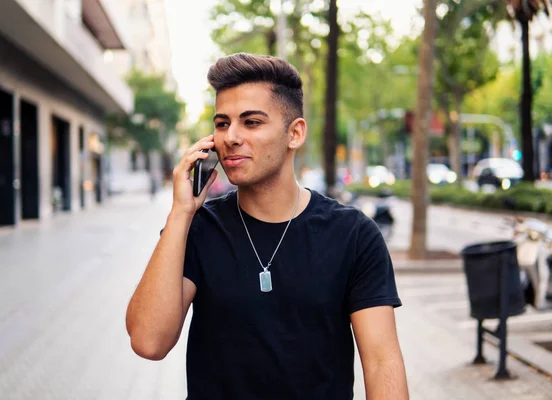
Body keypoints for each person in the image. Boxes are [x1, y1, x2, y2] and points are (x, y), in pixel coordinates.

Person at [126, 53, 408, 399]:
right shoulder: (198, 229)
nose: (230, 137)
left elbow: (381, 362)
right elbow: (148, 341)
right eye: (222, 123)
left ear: (295, 133)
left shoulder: (353, 234)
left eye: (252, 122)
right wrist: (180, 214)